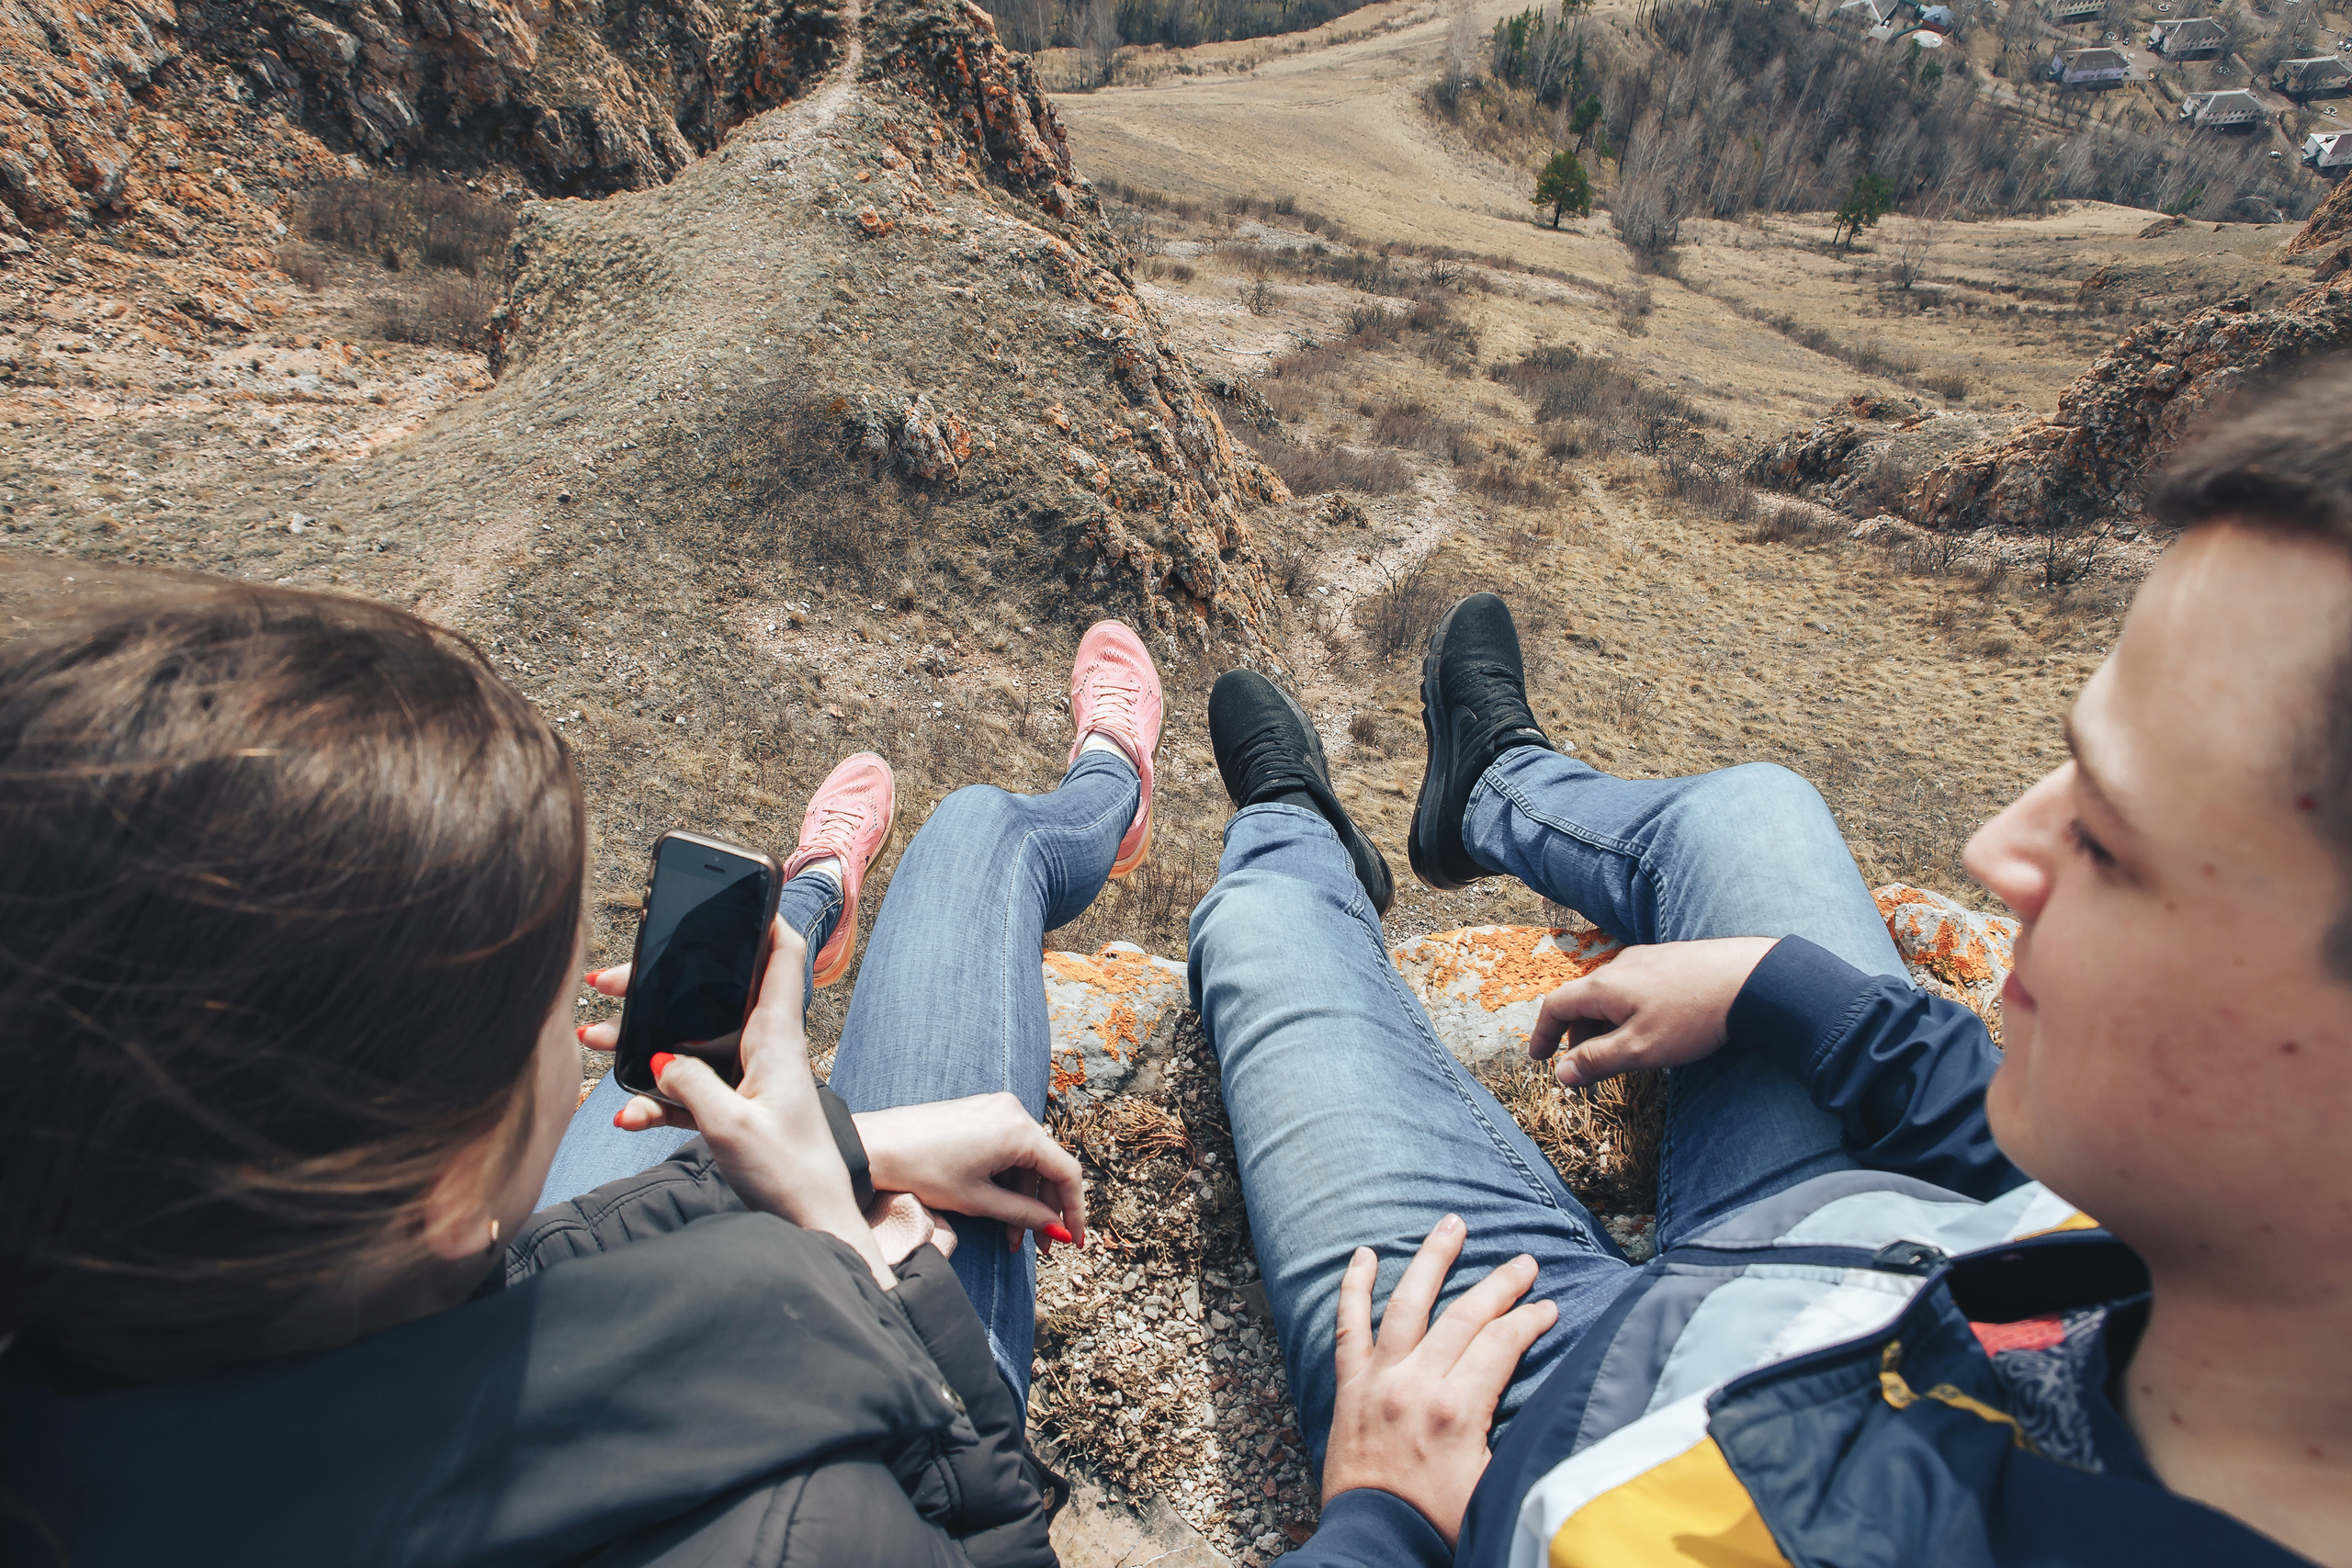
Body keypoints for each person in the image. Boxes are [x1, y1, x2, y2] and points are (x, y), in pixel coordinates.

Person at [1192, 371, 2352, 1568]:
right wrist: (1775, 986)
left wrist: (1385, 1524)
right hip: (1861, 1250)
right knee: (1756, 806)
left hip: (1546, 1432)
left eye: (2106, 836)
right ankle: (1491, 789)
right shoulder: (2227, 1244)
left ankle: (1293, 827)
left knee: (1265, 934)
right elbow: (2061, 1193)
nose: (1995, 846)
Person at [0, 586, 1169, 1568]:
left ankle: (810, 906)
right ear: (444, 1198)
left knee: (682, 1095)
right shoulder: (803, 1539)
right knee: (972, 836)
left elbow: (479, 1305)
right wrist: (859, 1253)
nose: (568, 1058)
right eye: (551, 1020)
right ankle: (1081, 797)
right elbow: (983, 1541)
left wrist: (852, 1149)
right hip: (903, 1403)